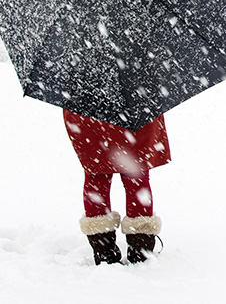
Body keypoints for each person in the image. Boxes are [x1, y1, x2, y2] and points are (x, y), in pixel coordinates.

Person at [63, 109, 171, 265]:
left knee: (96, 178)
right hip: (135, 111)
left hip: (89, 111)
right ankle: (140, 248)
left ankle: (103, 250)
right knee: (136, 178)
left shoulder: (80, 88)